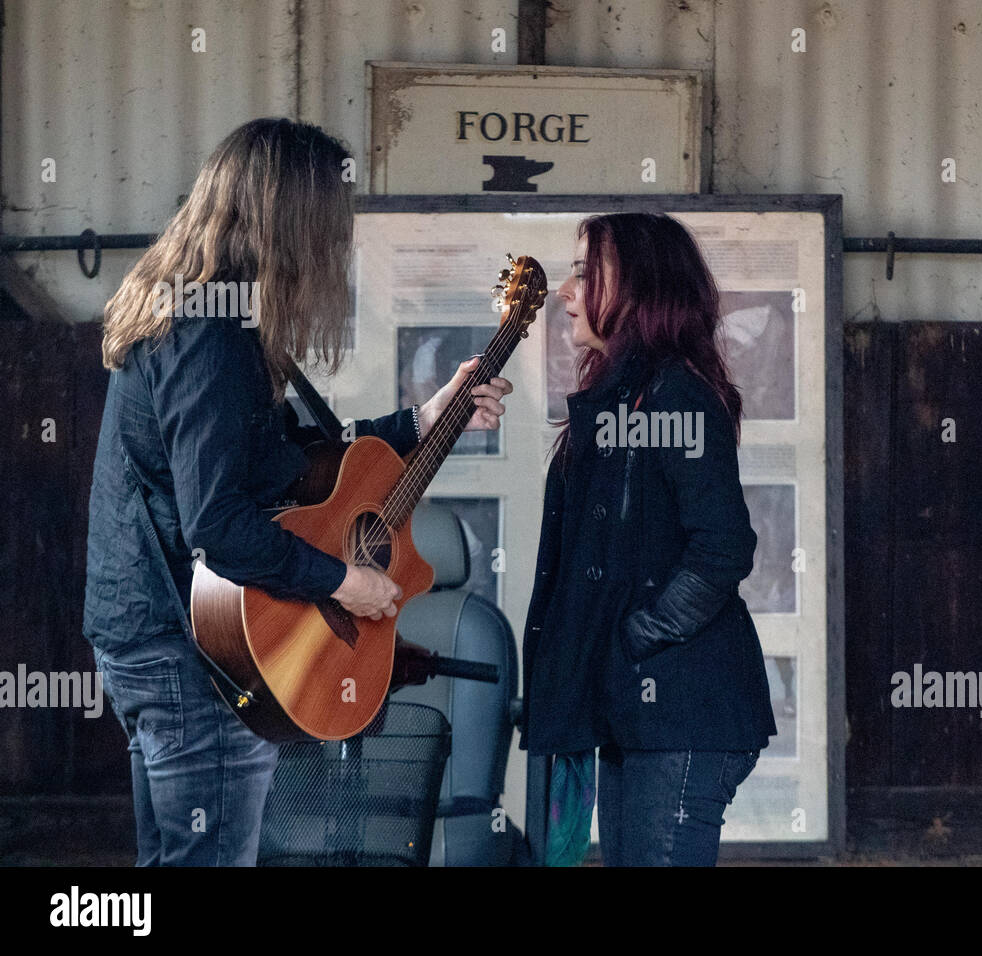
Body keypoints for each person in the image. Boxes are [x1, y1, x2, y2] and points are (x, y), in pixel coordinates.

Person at [82, 118, 513, 866]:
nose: (338, 245)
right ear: (294, 223)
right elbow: (218, 521)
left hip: (164, 640)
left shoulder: (211, 319)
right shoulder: (208, 336)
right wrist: (347, 582)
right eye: (331, 224)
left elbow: (297, 470)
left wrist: (423, 419)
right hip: (190, 652)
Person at [519, 212, 778, 866]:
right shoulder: (620, 397)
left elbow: (722, 548)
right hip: (633, 709)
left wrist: (635, 639)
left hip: (684, 709)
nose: (566, 292)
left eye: (584, 273)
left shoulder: (675, 396)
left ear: (635, 289)